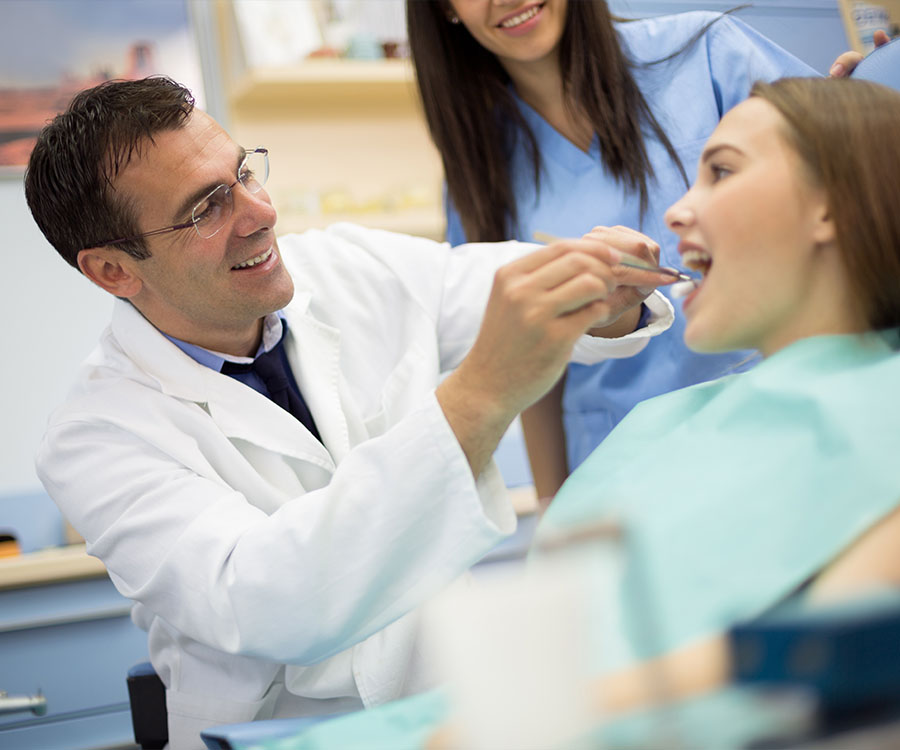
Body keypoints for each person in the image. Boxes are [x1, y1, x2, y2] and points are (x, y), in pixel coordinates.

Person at [24, 76, 676, 749]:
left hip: (446, 710)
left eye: (245, 172)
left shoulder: (347, 269)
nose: (259, 212)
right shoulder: (94, 436)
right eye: (206, 208)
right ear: (112, 271)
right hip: (274, 736)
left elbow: (499, 288)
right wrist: (478, 397)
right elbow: (268, 599)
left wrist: (606, 289)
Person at [276, 75, 900, 749]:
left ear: (830, 203)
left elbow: (831, 653)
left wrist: (509, 725)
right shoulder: (668, 429)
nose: (678, 212)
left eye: (722, 172)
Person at [406, 0, 864, 500]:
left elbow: (855, 186)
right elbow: (530, 359)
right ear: (444, 10)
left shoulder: (706, 52)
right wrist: (552, 509)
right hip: (616, 467)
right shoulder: (481, 168)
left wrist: (874, 109)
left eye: (723, 172)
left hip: (786, 419)